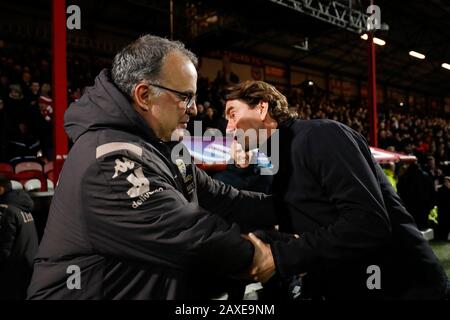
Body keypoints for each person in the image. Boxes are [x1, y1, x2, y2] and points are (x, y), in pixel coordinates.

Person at [27, 35, 276, 300]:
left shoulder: (163, 146)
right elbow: (191, 237)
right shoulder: (107, 162)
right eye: (185, 97)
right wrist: (271, 254)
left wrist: (291, 208)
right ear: (144, 95)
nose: (193, 110)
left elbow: (222, 198)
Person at [225, 80, 448, 299]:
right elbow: (269, 209)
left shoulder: (320, 135)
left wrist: (280, 258)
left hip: (405, 287)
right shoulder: (276, 160)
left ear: (262, 107)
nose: (228, 128)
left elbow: (368, 223)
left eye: (232, 114)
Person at [0, 176, 39, 300]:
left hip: (16, 268)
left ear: (1, 189)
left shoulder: (9, 210)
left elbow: (6, 245)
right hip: (30, 263)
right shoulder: (24, 207)